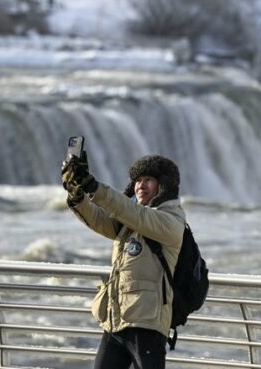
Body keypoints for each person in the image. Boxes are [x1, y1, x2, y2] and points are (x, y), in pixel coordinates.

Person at [61, 153, 185, 369]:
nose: (140, 186)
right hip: (116, 318)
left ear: (163, 185)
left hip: (147, 323)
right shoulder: (133, 220)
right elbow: (101, 220)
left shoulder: (169, 221)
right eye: (137, 181)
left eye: (148, 180)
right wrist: (76, 193)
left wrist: (94, 186)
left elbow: (129, 210)